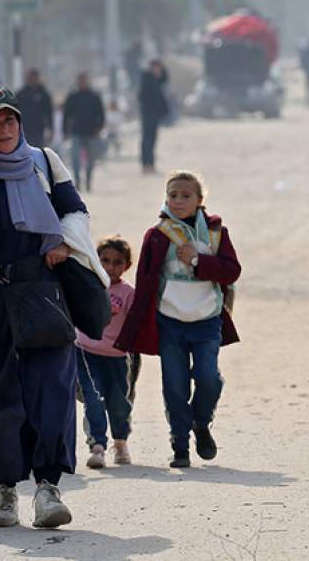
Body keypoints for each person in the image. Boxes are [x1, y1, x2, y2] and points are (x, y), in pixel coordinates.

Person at [0, 86, 105, 528]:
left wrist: (63, 243)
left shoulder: (44, 161)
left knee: (50, 385)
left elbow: (76, 210)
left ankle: (47, 489)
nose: (4, 128)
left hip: (39, 290)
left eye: (10, 120)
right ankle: (6, 492)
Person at [115, 171, 241, 469]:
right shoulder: (157, 235)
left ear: (200, 200)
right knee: (175, 385)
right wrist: (135, 326)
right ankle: (180, 444)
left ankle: (201, 422)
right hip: (169, 321)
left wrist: (197, 261)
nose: (179, 200)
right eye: (173, 194)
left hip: (207, 320)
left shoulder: (215, 232)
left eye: (186, 195)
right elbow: (145, 282)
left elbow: (231, 271)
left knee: (209, 378)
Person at [76, 236, 137, 470]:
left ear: (126, 266)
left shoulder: (128, 293)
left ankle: (120, 442)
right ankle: (97, 447)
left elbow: (135, 324)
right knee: (93, 398)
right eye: (105, 260)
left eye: (117, 262)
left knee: (119, 402)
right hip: (85, 352)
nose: (110, 267)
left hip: (118, 358)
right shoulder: (88, 286)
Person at [63, 72, 106, 192]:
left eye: (84, 80)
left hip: (92, 133)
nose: (82, 83)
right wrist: (65, 131)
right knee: (75, 159)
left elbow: (101, 114)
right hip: (76, 132)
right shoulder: (72, 96)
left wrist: (100, 128)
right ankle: (77, 181)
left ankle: (88, 181)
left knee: (91, 160)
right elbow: (66, 115)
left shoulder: (94, 96)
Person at [139, 59, 171, 175]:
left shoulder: (155, 79)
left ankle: (150, 164)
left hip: (154, 115)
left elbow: (165, 79)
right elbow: (143, 97)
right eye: (157, 68)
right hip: (148, 115)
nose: (159, 70)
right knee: (147, 140)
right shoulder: (147, 79)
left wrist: (163, 68)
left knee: (152, 140)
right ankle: (146, 164)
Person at [16, 69, 54, 147]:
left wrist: (51, 128)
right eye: (30, 78)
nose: (32, 80)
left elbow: (49, 112)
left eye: (34, 78)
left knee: (38, 151)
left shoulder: (44, 94)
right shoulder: (21, 94)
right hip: (24, 128)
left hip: (39, 129)